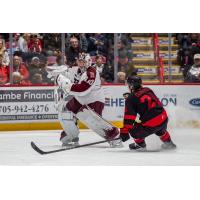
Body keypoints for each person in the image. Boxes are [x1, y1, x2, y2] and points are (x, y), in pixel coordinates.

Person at [47, 53, 120, 147]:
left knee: (93, 121)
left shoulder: (92, 72)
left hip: (94, 99)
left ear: (88, 62)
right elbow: (67, 74)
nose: (81, 64)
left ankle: (114, 135)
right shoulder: (77, 70)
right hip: (80, 99)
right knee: (65, 111)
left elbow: (83, 89)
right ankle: (71, 135)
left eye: (83, 62)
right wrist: (58, 74)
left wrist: (67, 85)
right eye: (79, 61)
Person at [120, 75, 176, 151]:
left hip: (152, 123)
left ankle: (140, 145)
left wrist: (124, 132)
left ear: (132, 86)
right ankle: (169, 143)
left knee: (133, 129)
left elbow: (129, 117)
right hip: (163, 118)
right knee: (160, 130)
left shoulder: (131, 99)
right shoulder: (147, 90)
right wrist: (132, 98)